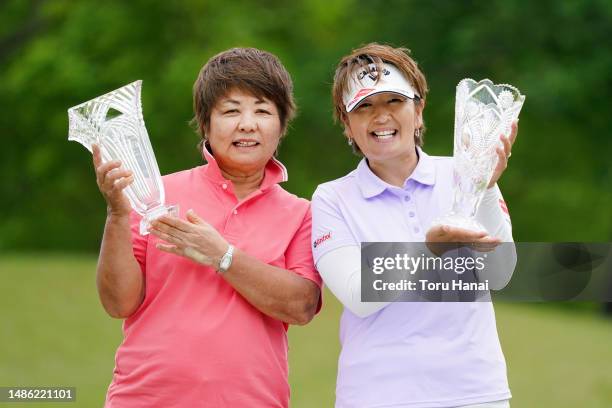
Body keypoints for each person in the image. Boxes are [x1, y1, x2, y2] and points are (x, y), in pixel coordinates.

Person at [92, 47, 322, 407]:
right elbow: (118, 303)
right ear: (206, 124)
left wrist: (222, 256)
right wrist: (118, 215)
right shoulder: (156, 194)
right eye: (231, 111)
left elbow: (301, 305)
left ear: (281, 125)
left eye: (262, 110)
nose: (247, 124)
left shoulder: (302, 213)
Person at [311, 43, 518, 408]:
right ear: (347, 124)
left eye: (394, 101)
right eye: (364, 106)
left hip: (474, 392)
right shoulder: (331, 198)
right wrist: (429, 251)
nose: (380, 117)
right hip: (376, 395)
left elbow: (499, 274)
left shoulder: (465, 171)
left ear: (418, 111)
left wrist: (482, 186)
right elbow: (358, 295)